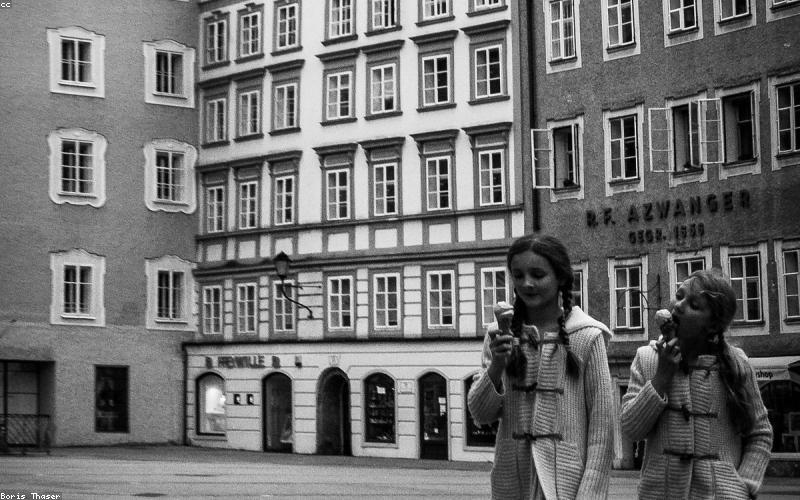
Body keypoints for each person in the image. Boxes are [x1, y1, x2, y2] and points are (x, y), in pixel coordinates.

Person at [468, 234, 615, 499]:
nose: (527, 283)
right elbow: (481, 414)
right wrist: (497, 366)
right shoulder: (498, 334)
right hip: (513, 483)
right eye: (518, 275)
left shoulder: (587, 337)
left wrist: (590, 494)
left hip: (566, 484)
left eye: (537, 274)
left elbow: (602, 431)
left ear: (560, 277)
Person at [620, 269, 773, 499]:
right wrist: (662, 376)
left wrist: (744, 485)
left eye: (694, 305)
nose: (679, 305)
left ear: (712, 325)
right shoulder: (647, 358)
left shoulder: (736, 363)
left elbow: (760, 433)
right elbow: (631, 429)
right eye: (679, 295)